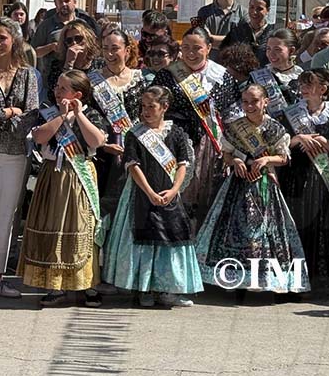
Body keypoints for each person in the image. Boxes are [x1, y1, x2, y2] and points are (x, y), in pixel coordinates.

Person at [195, 84, 309, 294]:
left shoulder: (276, 129)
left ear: (265, 102)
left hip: (264, 184)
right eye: (245, 102)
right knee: (235, 229)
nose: (249, 106)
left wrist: (266, 159)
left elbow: (283, 158)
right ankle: (234, 277)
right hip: (238, 184)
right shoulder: (234, 127)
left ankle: (262, 278)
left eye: (254, 101)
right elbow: (226, 154)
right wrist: (235, 161)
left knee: (263, 231)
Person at [103, 86, 202, 307]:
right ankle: (143, 288)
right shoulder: (135, 133)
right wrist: (149, 192)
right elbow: (133, 165)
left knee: (171, 236)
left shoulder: (175, 133)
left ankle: (167, 289)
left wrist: (175, 190)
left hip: (169, 192)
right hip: (140, 192)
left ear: (164, 107)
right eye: (143, 106)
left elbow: (183, 164)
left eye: (151, 106)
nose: (146, 111)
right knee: (142, 234)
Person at [18, 70, 108, 308]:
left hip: (79, 175)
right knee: (53, 225)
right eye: (57, 87)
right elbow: (39, 137)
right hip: (53, 176)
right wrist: (61, 115)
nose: (57, 91)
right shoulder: (48, 112)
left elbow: (97, 141)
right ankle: (54, 285)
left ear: (77, 94)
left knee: (82, 228)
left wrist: (78, 115)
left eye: (63, 88)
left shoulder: (92, 114)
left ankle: (87, 284)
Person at [153, 27, 239, 230]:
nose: (190, 53)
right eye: (186, 47)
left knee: (207, 199)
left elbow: (232, 112)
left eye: (197, 48)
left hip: (211, 146)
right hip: (175, 145)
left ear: (208, 48)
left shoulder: (222, 76)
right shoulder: (167, 75)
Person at [0, 17, 38, 298]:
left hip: (15, 153)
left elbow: (31, 113)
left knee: (5, 216)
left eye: (2, 38)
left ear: (14, 40)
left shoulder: (27, 75)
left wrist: (7, 119)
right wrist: (7, 113)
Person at [279, 69, 329, 286]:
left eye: (309, 84)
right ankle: (292, 277)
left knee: (318, 224)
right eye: (302, 84)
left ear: (323, 89)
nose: (304, 88)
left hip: (321, 179)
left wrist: (324, 141)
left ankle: (315, 278)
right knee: (295, 223)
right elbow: (280, 144)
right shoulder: (290, 113)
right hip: (294, 176)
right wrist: (299, 138)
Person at [89, 28, 146, 231]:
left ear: (127, 50)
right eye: (105, 49)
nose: (110, 54)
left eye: (115, 49)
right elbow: (88, 117)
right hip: (102, 152)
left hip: (134, 150)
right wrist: (104, 144)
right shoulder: (93, 81)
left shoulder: (140, 79)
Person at [31, 0, 98, 81]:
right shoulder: (46, 25)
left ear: (74, 2)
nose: (63, 4)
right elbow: (33, 53)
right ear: (56, 4)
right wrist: (51, 47)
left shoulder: (83, 25)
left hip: (82, 75)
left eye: (67, 1)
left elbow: (92, 47)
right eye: (60, 2)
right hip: (52, 76)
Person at [45, 20, 100, 104]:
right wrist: (68, 63)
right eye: (69, 41)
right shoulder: (57, 65)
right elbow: (53, 95)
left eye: (78, 38)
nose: (74, 43)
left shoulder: (99, 64)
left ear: (87, 39)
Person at [220, 0, 276, 66]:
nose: (254, 12)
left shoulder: (273, 34)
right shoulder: (237, 31)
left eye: (259, 9)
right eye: (251, 7)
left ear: (267, 10)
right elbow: (224, 54)